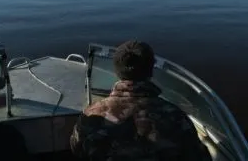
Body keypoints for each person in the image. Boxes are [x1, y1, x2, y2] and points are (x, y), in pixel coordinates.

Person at [70, 40, 212, 160]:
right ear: (151, 71)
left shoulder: (90, 115)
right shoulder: (176, 117)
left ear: (116, 72)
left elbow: (77, 150)